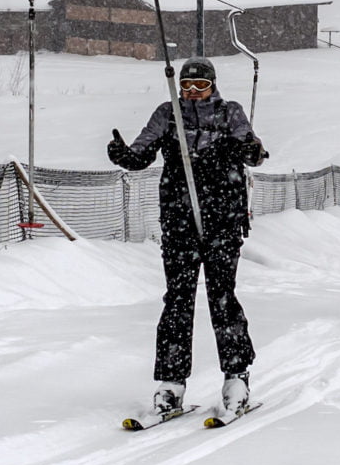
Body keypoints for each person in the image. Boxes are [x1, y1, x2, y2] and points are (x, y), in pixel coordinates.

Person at [107, 56, 267, 418]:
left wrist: (249, 150)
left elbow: (254, 152)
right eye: (186, 86)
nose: (193, 92)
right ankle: (171, 382)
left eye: (201, 86)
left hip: (222, 221)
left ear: (213, 86)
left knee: (222, 297)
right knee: (177, 301)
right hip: (180, 223)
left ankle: (236, 377)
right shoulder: (168, 114)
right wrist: (124, 156)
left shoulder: (229, 113)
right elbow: (141, 154)